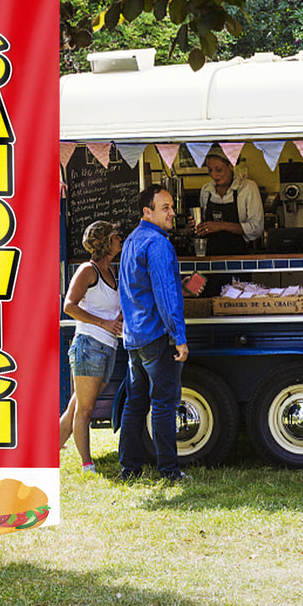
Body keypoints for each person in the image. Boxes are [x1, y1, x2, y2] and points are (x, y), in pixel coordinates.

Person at [118, 184, 190, 483]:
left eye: (172, 206)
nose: (172, 213)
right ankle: (169, 472)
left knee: (135, 403)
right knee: (163, 402)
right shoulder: (158, 244)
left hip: (134, 336)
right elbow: (165, 295)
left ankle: (129, 469)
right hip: (156, 335)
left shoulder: (131, 240)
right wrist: (179, 337)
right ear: (147, 212)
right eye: (165, 208)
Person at [60, 220, 124, 474]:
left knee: (76, 405)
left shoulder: (111, 272)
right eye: (116, 235)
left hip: (107, 347)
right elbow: (69, 306)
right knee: (85, 410)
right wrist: (105, 323)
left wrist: (118, 318)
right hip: (89, 346)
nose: (120, 238)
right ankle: (87, 464)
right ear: (106, 242)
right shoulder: (88, 270)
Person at [195, 150, 264, 256]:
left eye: (219, 170)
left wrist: (222, 225)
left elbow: (256, 229)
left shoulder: (247, 188)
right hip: (212, 257)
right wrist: (198, 225)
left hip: (239, 256)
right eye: (210, 170)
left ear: (231, 165)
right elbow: (205, 225)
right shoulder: (206, 190)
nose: (214, 175)